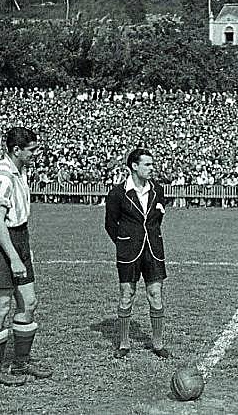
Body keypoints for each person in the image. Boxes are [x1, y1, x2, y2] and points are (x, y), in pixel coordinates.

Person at [0, 127, 52, 386]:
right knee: (1, 303)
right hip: (0, 239)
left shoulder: (20, 171)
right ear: (16, 150)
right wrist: (14, 257)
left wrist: (23, 249)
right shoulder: (2, 175)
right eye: (31, 150)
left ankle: (21, 362)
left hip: (19, 236)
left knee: (29, 302)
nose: (35, 154)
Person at [105, 148, 170, 359]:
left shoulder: (157, 190)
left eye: (152, 164)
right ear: (134, 166)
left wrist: (150, 236)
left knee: (156, 294)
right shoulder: (117, 193)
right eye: (147, 164)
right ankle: (124, 343)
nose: (152, 168)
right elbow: (110, 224)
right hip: (129, 252)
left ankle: (158, 343)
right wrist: (124, 243)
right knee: (127, 294)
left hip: (154, 250)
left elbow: (157, 218)